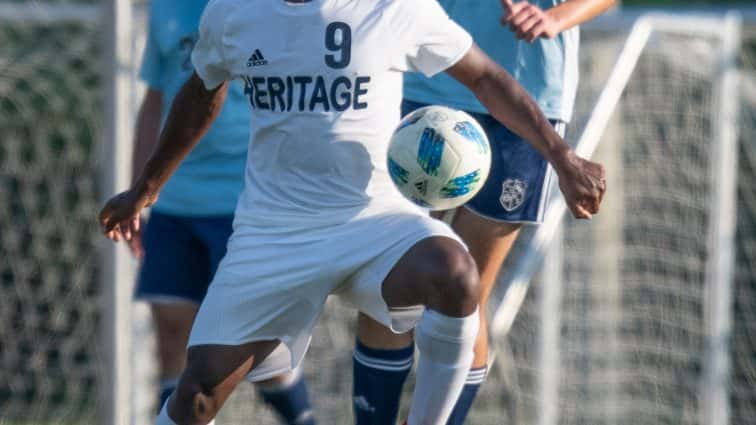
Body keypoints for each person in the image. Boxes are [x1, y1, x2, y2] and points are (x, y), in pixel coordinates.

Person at [99, 0, 606, 424]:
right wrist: (145, 187)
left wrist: (563, 156)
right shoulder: (234, 10)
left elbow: (488, 78)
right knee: (196, 396)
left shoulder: (394, 7)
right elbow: (200, 91)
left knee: (455, 274)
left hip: (376, 222)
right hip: (273, 235)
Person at [351, 0, 615, 423]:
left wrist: (554, 18)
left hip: (527, 98)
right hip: (424, 79)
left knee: (467, 295)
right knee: (387, 280)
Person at [130, 1, 314, 423]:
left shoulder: (269, 10)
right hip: (176, 202)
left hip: (248, 201)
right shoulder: (167, 9)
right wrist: (140, 193)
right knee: (172, 337)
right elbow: (155, 99)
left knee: (256, 354)